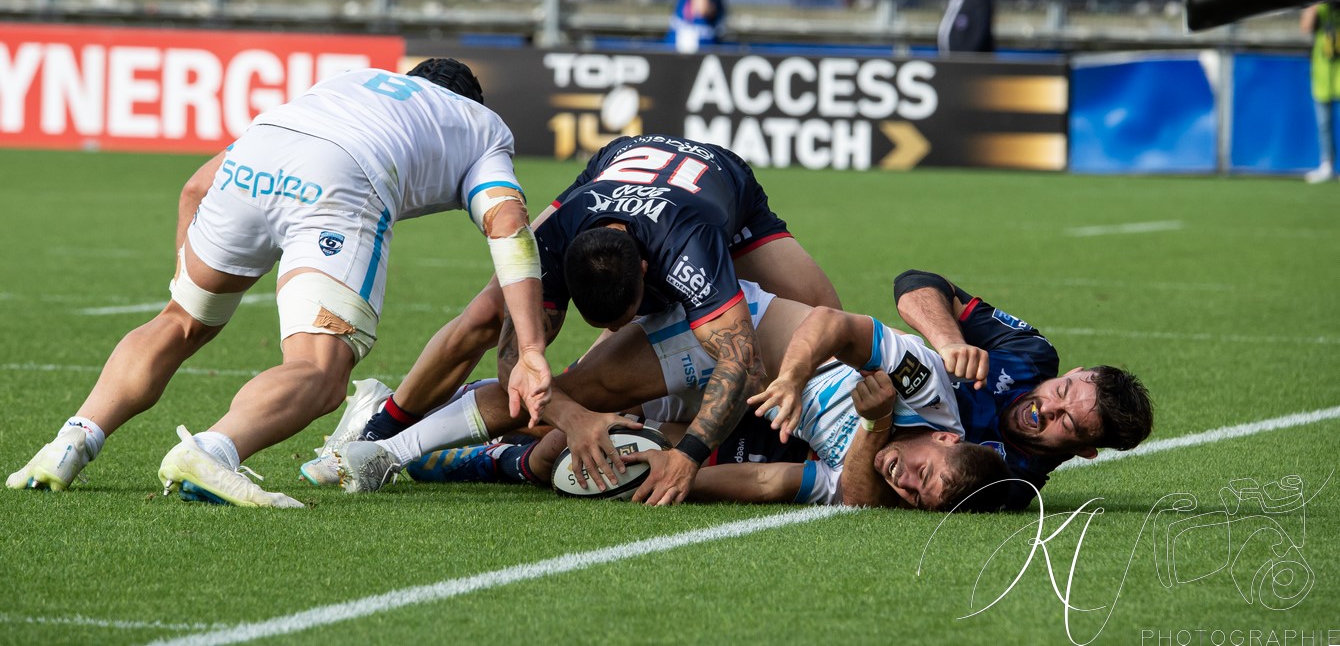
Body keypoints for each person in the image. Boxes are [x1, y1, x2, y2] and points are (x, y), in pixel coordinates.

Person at [7, 59, 551, 509]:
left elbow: (196, 187)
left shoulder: (350, 81)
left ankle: (72, 439)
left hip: (255, 158)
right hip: (340, 176)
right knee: (320, 370)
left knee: (178, 322)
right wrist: (529, 349)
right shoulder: (481, 127)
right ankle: (215, 451)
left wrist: (186, 281)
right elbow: (507, 223)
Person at [309, 134, 841, 505]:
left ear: (649, 271)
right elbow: (516, 361)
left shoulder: (691, 246)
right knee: (503, 329)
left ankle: (421, 435)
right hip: (609, 173)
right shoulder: (551, 244)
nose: (621, 328)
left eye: (632, 317)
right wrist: (573, 416)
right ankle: (386, 428)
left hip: (717, 185)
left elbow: (740, 358)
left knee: (827, 325)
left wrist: (691, 455)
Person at [338, 281, 1008, 511]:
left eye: (917, 496)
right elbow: (831, 324)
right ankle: (385, 430)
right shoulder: (925, 387)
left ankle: (428, 444)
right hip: (721, 332)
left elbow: (780, 482)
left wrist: (676, 473)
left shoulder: (875, 475)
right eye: (924, 472)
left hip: (715, 399)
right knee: (557, 397)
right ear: (948, 437)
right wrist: (795, 377)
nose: (906, 480)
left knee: (572, 458)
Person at [836, 269, 1153, 509]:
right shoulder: (1030, 355)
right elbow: (914, 282)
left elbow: (868, 494)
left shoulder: (1009, 483)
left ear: (1085, 451)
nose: (1047, 408)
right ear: (1072, 373)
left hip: (824, 440)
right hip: (835, 373)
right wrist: (950, 341)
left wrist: (876, 422)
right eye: (1061, 390)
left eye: (1066, 422)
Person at [1301, 2, 1340, 183]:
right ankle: (1327, 164)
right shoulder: (1321, 6)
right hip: (1323, 73)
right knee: (1324, 123)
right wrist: (1315, 3)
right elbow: (1306, 27)